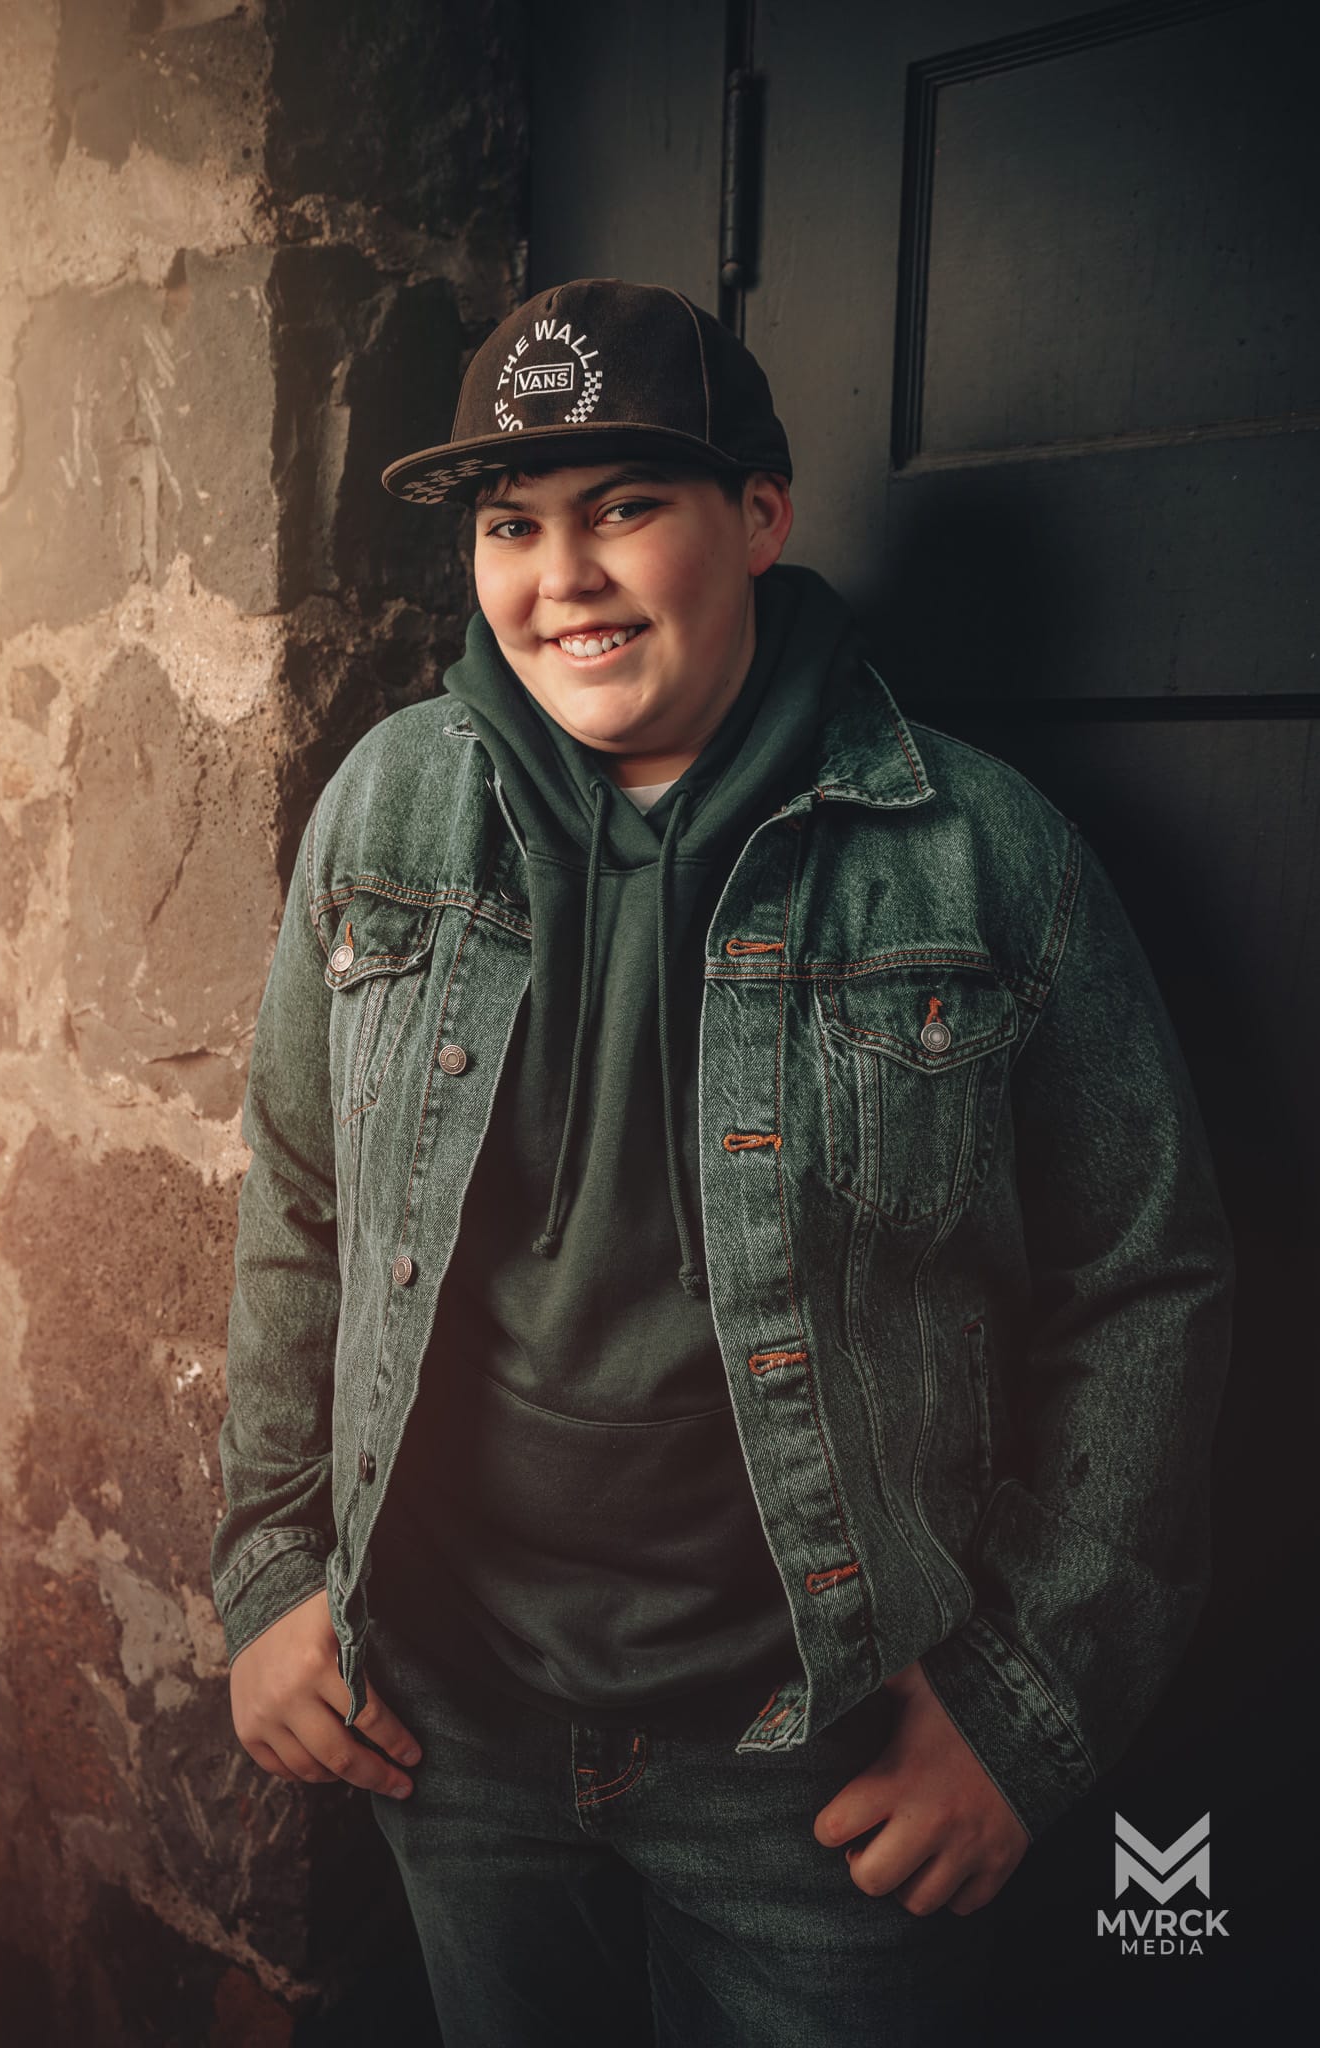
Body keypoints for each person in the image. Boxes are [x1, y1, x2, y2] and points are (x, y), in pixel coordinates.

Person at [210, 278, 1233, 2045]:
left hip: (817, 1767)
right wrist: (271, 1570)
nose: (560, 577)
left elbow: (1144, 1283)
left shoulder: (978, 856)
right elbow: (303, 1198)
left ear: (759, 516)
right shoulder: (385, 810)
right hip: (450, 1731)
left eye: (622, 507)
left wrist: (1021, 1707)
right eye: (511, 524)